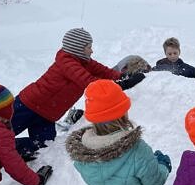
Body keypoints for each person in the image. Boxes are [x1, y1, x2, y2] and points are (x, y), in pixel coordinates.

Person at [65, 79, 170, 185]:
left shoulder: (84, 149)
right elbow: (154, 182)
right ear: (123, 113)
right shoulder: (136, 149)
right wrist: (163, 165)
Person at [12, 28, 145, 160]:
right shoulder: (67, 62)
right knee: (1, 134)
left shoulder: (85, 61)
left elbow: (105, 72)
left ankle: (9, 149)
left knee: (43, 148)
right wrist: (122, 85)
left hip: (47, 115)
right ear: (77, 48)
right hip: (28, 105)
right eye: (89, 47)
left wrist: (123, 77)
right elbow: (89, 82)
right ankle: (0, 149)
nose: (92, 50)